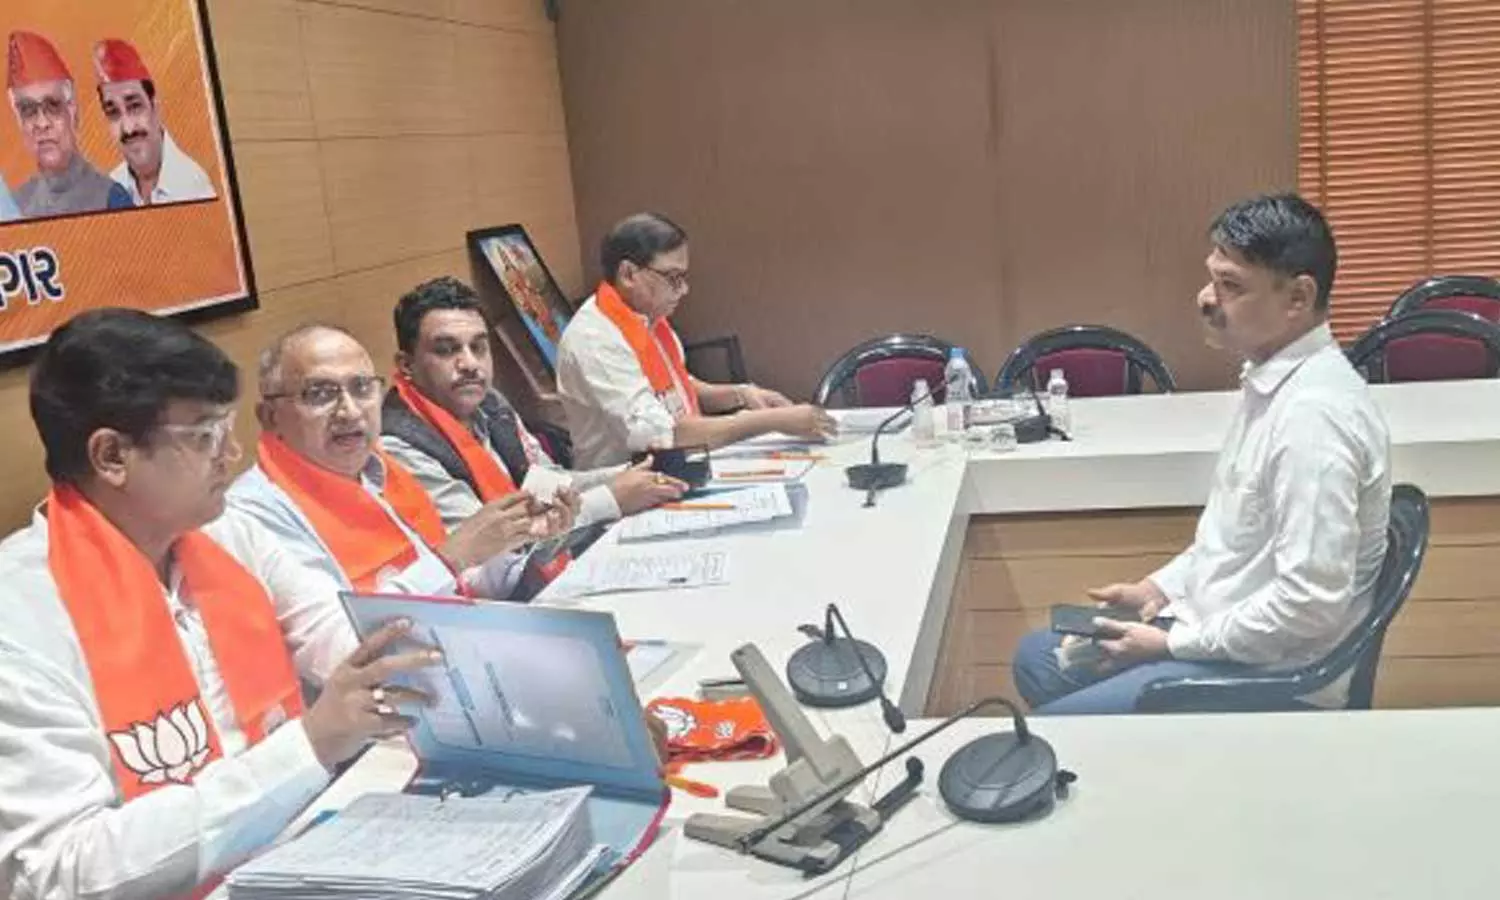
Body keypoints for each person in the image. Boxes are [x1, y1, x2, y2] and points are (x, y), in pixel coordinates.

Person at [0, 308, 440, 898]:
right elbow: (60, 873)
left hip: (304, 852)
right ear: (111, 457)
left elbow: (340, 637)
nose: (231, 453)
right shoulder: (21, 617)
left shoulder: (227, 535)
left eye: (227, 427)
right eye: (204, 435)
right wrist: (308, 745)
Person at [1011, 194, 1392, 715]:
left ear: (1298, 298)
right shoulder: (1274, 383)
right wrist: (1158, 589)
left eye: (1230, 286)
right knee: (1037, 659)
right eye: (1212, 279)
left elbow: (1309, 605)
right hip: (1226, 630)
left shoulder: (1314, 419)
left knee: (1056, 729)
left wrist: (1170, 644)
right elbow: (1236, 540)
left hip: (1276, 674)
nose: (1205, 298)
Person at [229, 323, 573, 599]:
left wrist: (527, 541)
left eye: (362, 388)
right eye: (320, 394)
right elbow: (343, 643)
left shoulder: (379, 471)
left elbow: (464, 589)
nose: (349, 411)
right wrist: (452, 558)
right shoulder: (252, 515)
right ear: (270, 417)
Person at [381, 276, 687, 531]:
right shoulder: (397, 445)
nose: (470, 364)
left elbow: (546, 483)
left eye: (478, 347)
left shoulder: (490, 404)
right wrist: (612, 498)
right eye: (447, 350)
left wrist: (627, 474)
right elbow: (486, 544)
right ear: (406, 365)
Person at [556, 212, 836, 468]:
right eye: (673, 277)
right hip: (630, 485)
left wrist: (742, 394)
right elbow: (662, 435)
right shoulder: (596, 340)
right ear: (629, 274)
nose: (684, 289)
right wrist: (768, 421)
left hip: (684, 463)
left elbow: (678, 388)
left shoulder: (647, 318)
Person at [6, 31, 132, 218]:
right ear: (20, 121)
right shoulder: (15, 206)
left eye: (52, 106)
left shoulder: (111, 199)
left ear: (72, 110)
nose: (42, 123)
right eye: (28, 110)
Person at [93, 38, 217, 206]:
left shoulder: (194, 189)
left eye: (135, 106)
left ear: (155, 107)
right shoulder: (112, 189)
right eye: (113, 112)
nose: (128, 128)